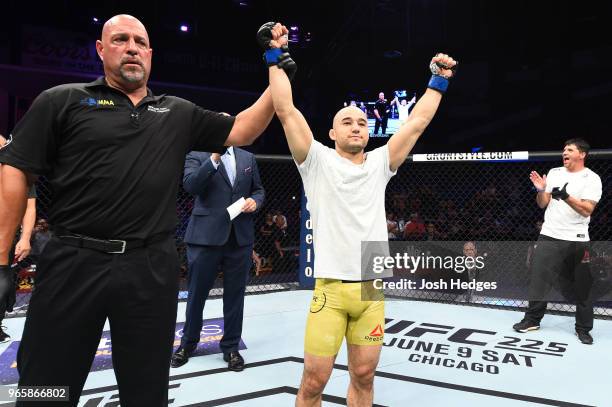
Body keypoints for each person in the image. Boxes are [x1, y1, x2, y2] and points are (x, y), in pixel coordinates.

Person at [0, 15, 283, 405]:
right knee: (44, 390)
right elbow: (15, 166)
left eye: (139, 41)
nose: (131, 47)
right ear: (101, 50)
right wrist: (1, 261)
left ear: (150, 54)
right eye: (120, 39)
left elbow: (245, 129)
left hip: (150, 266)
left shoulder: (177, 111)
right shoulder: (62, 100)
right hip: (72, 261)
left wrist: (277, 67)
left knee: (146, 389)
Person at [261, 22, 457, 406]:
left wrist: (438, 80)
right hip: (331, 288)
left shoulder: (381, 163)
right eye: (346, 122)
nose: (356, 126)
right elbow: (285, 109)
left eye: (362, 122)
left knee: (364, 376)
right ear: (332, 133)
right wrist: (273, 56)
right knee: (314, 381)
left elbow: (417, 122)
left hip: (371, 286)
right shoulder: (315, 159)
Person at [171, 146, 264, 371]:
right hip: (204, 238)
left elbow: (258, 190)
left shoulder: (248, 157)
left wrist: (255, 201)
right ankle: (188, 344)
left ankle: (231, 347)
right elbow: (191, 185)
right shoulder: (196, 155)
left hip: (239, 238)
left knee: (235, 296)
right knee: (196, 295)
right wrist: (214, 157)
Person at [513, 138, 602, 345]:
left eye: (569, 150)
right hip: (549, 235)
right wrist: (541, 190)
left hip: (577, 239)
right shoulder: (554, 173)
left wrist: (567, 196)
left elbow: (587, 209)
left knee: (582, 286)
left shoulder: (592, 178)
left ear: (582, 154)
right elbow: (543, 204)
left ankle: (583, 329)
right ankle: (532, 320)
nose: (565, 152)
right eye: (563, 149)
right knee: (539, 280)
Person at [0, 134, 36, 343]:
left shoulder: (18, 171)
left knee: (5, 281)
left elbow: (29, 208)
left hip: (6, 234)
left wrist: (25, 238)